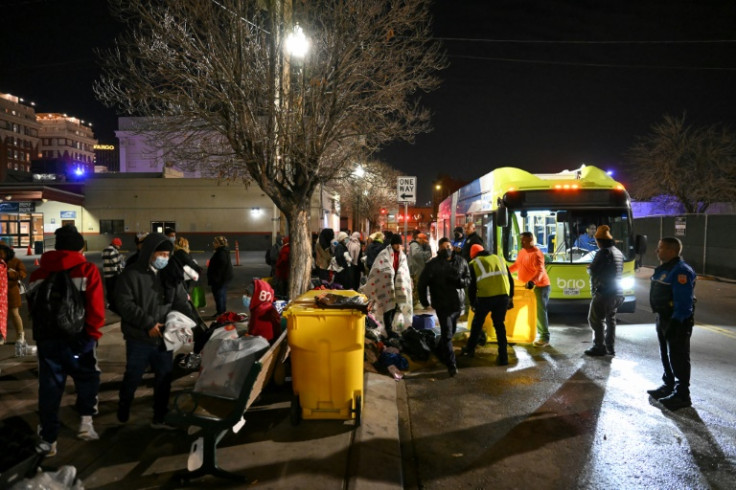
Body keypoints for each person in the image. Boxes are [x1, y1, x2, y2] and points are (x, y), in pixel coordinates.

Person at [28, 225, 105, 456]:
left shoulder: (38, 273)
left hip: (48, 341)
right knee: (87, 380)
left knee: (50, 388)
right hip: (80, 339)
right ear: (79, 247)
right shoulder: (87, 270)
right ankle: (85, 424)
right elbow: (96, 308)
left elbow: (34, 310)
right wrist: (92, 336)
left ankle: (49, 438)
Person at [115, 233, 197, 428]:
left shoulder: (171, 273)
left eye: (168, 255)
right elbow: (124, 304)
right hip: (139, 338)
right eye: (161, 254)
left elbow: (180, 301)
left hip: (165, 338)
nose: (164, 259)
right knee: (133, 376)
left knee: (164, 379)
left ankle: (160, 416)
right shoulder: (131, 274)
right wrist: (148, 323)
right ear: (150, 253)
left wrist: (190, 323)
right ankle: (124, 406)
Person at [647, 237, 696, 411]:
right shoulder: (664, 268)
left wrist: (677, 321)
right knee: (665, 354)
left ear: (671, 251)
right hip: (663, 318)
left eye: (660, 248)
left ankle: (682, 394)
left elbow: (683, 301)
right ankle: (669, 385)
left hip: (676, 320)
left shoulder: (681, 271)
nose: (656, 251)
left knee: (679, 357)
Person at [417, 237, 470, 377]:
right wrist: (424, 302)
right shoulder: (432, 265)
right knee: (447, 334)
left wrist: (460, 281)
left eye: (448, 246)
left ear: (451, 247)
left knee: (450, 333)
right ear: (439, 249)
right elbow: (422, 284)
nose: (446, 249)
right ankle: (451, 365)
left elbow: (468, 279)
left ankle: (439, 351)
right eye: (443, 247)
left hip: (457, 305)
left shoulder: (461, 261)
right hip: (442, 304)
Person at [464, 244, 515, 365]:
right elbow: (510, 279)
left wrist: (472, 303)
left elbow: (472, 287)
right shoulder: (499, 258)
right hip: (503, 296)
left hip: (485, 297)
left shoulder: (474, 263)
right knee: (499, 325)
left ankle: (470, 350)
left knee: (477, 324)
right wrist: (510, 297)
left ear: (473, 255)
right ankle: (503, 357)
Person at [362, 234, 413, 337]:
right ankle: (388, 329)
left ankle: (391, 327)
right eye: (396, 244)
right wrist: (389, 274)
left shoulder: (402, 255)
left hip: (397, 282)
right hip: (386, 283)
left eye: (400, 244)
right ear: (392, 244)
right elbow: (378, 267)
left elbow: (404, 268)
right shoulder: (384, 254)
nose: (398, 246)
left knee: (395, 305)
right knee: (387, 306)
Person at [584, 225, 624, 357]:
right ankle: (610, 347)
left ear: (600, 241)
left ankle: (599, 347)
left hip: (604, 292)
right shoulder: (618, 252)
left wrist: (589, 268)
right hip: (617, 293)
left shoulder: (603, 252)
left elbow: (593, 270)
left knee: (595, 319)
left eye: (597, 241)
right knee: (610, 320)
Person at [509, 231, 551, 347]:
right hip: (526, 287)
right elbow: (517, 265)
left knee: (539, 312)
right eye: (521, 240)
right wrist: (506, 271)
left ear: (531, 240)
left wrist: (533, 281)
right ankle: (519, 334)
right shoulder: (522, 252)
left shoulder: (537, 254)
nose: (522, 242)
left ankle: (544, 337)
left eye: (524, 240)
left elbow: (540, 270)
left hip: (540, 287)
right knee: (520, 310)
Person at [0, 243, 27, 344]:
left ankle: (20, 335)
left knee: (14, 314)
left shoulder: (15, 261)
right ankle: (2, 336)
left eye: (1, 253)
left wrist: (12, 273)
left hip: (11, 292)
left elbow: (23, 273)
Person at [242, 278, 282, 344]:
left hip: (264, 347)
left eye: (248, 295)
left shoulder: (259, 312)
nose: (245, 296)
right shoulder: (268, 307)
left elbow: (252, 335)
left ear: (257, 295)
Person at [207, 236, 235, 316]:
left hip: (220, 278)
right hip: (224, 277)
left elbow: (221, 265)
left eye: (215, 242)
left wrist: (216, 277)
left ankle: (220, 312)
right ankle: (222, 311)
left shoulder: (221, 252)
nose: (213, 244)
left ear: (218, 243)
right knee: (222, 294)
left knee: (219, 295)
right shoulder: (223, 250)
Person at [408, 231, 431, 307]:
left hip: (416, 269)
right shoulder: (415, 244)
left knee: (417, 287)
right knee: (417, 288)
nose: (424, 241)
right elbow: (416, 254)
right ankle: (415, 304)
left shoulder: (416, 245)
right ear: (419, 239)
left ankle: (416, 303)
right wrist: (428, 253)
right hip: (416, 270)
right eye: (423, 240)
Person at [101, 237, 124, 309]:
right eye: (119, 245)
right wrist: (121, 258)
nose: (119, 247)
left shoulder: (104, 250)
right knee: (114, 290)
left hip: (106, 273)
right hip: (113, 274)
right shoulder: (113, 251)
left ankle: (109, 303)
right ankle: (114, 305)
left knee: (109, 290)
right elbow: (116, 262)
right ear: (116, 244)